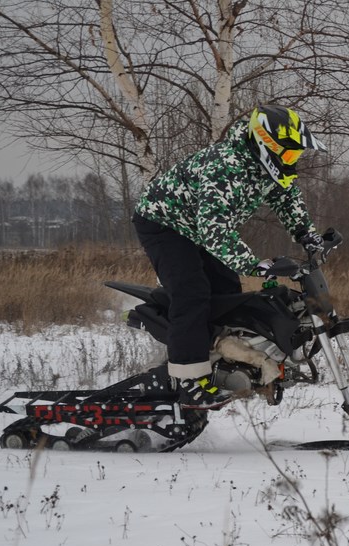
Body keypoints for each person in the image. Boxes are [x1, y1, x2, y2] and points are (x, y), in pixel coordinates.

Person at [132, 105, 326, 409]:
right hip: (164, 223)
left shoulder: (266, 167)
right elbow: (214, 230)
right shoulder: (227, 165)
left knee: (228, 293)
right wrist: (253, 265)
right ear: (265, 143)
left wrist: (306, 234)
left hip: (196, 227)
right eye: (288, 154)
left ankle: (224, 363)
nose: (292, 161)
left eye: (295, 155)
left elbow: (286, 198)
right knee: (192, 293)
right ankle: (189, 378)